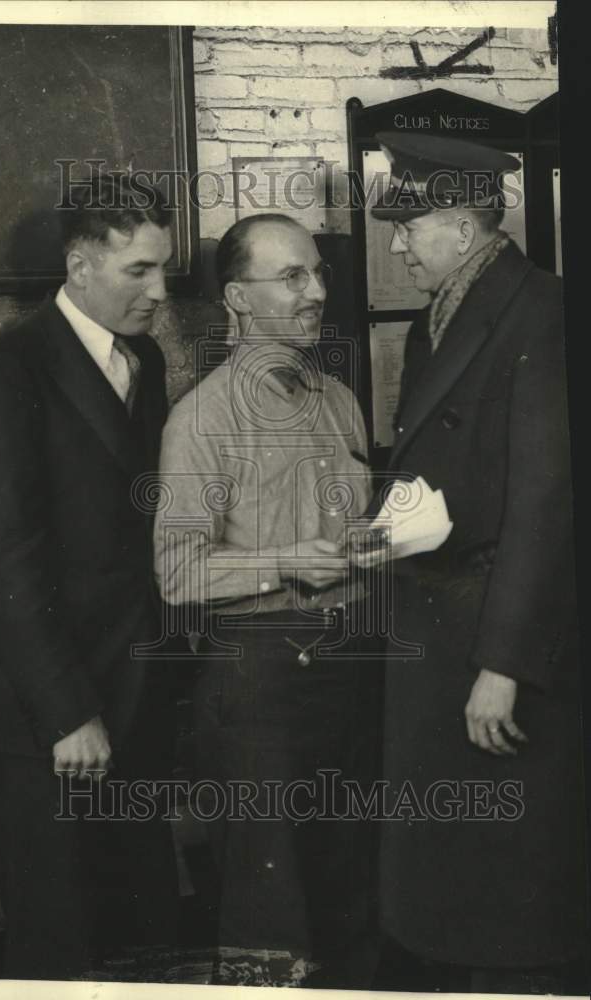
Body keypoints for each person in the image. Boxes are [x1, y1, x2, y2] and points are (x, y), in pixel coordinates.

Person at [370, 131, 588, 993]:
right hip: (442, 618)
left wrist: (502, 663)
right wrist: (385, 524)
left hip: (497, 634)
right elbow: (447, 472)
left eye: (408, 227)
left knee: (508, 903)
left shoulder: (543, 310)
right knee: (452, 888)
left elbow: (548, 503)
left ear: (460, 229)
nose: (395, 243)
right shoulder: (448, 314)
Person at [0, 174, 179, 980]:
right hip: (56, 717)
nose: (159, 292)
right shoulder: (5, 374)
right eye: (139, 272)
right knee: (62, 945)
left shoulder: (143, 361)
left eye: (163, 270)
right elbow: (6, 562)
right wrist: (66, 714)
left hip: (137, 693)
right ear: (81, 266)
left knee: (144, 932)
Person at [154, 214, 382, 989]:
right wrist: (289, 561)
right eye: (292, 277)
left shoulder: (339, 401)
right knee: (271, 915)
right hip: (259, 689)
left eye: (317, 273)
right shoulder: (201, 420)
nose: (317, 291)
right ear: (238, 299)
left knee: (354, 902)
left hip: (353, 673)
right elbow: (178, 574)